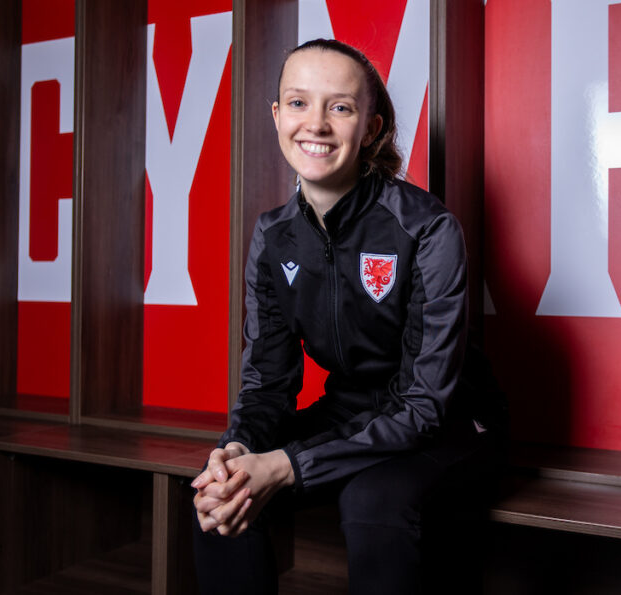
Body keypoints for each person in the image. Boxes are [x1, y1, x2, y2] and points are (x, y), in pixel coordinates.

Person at [191, 38, 505, 595]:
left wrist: (286, 464)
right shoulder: (272, 236)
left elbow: (422, 408)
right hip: (350, 413)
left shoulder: (427, 228)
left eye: (339, 107)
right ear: (277, 115)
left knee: (371, 502)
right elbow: (266, 382)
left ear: (371, 128)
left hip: (452, 423)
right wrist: (239, 447)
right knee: (223, 491)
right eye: (298, 103)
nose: (315, 123)